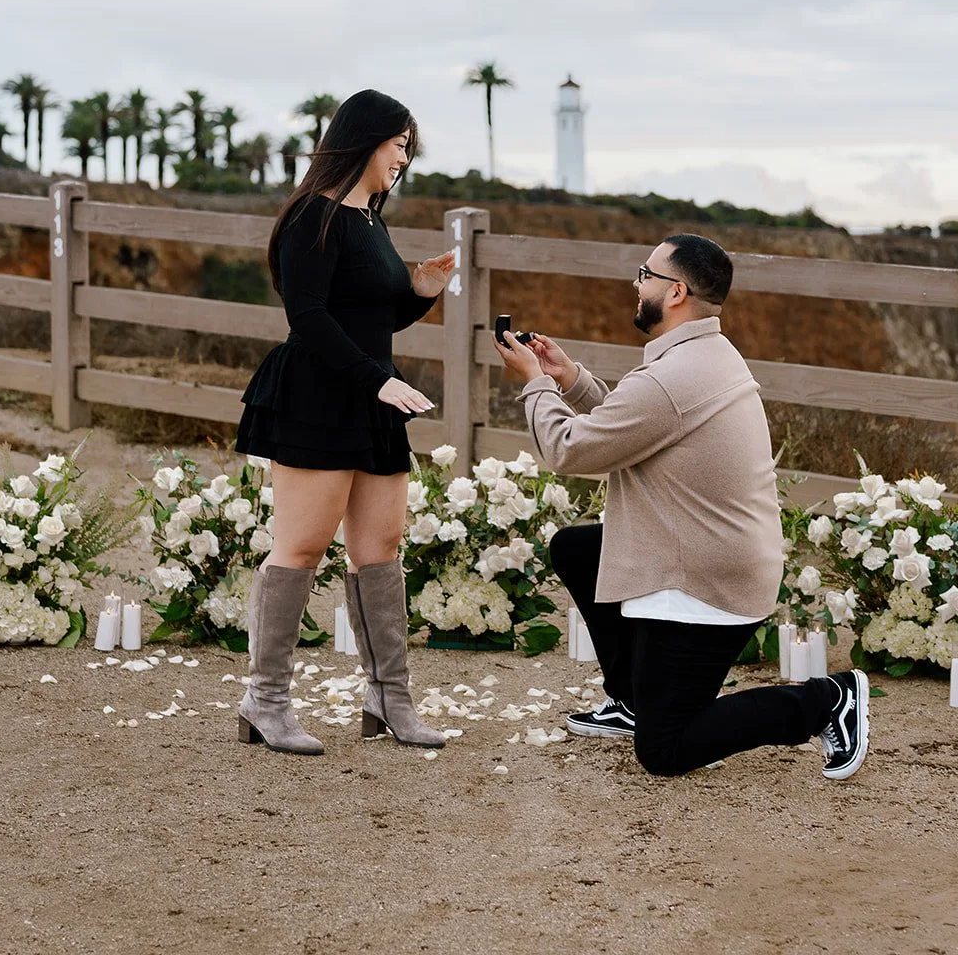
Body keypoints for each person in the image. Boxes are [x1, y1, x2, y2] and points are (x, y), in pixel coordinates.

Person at [494, 233, 870, 781]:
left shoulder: (673, 377)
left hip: (704, 576)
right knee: (577, 549)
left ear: (675, 292)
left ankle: (826, 701)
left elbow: (570, 449)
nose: (635, 283)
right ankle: (632, 700)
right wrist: (569, 379)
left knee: (665, 750)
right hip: (711, 552)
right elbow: (637, 426)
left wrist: (533, 384)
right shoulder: (705, 356)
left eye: (644, 273)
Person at [235, 88, 454, 755]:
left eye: (409, 148)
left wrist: (420, 292)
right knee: (299, 547)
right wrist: (379, 381)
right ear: (366, 141)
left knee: (379, 549)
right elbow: (310, 321)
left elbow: (371, 320)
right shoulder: (312, 219)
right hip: (318, 397)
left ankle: (388, 701)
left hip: (370, 398)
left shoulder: (371, 222)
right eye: (399, 145)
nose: (404, 158)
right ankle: (264, 702)